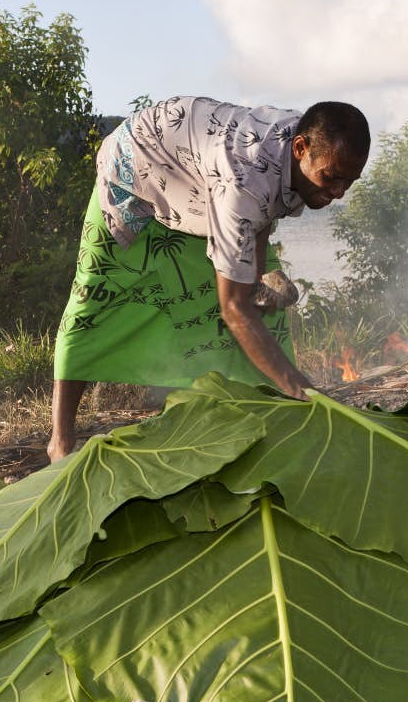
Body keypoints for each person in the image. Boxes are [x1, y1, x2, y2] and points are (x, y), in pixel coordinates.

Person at [46, 95, 370, 460]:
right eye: (331, 178)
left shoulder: (305, 143)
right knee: (95, 302)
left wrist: (259, 275)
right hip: (135, 169)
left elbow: (265, 209)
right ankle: (60, 442)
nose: (339, 192)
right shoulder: (243, 182)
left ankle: (256, 415)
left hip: (198, 185)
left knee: (258, 309)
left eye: (350, 181)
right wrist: (306, 392)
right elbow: (234, 309)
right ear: (300, 148)